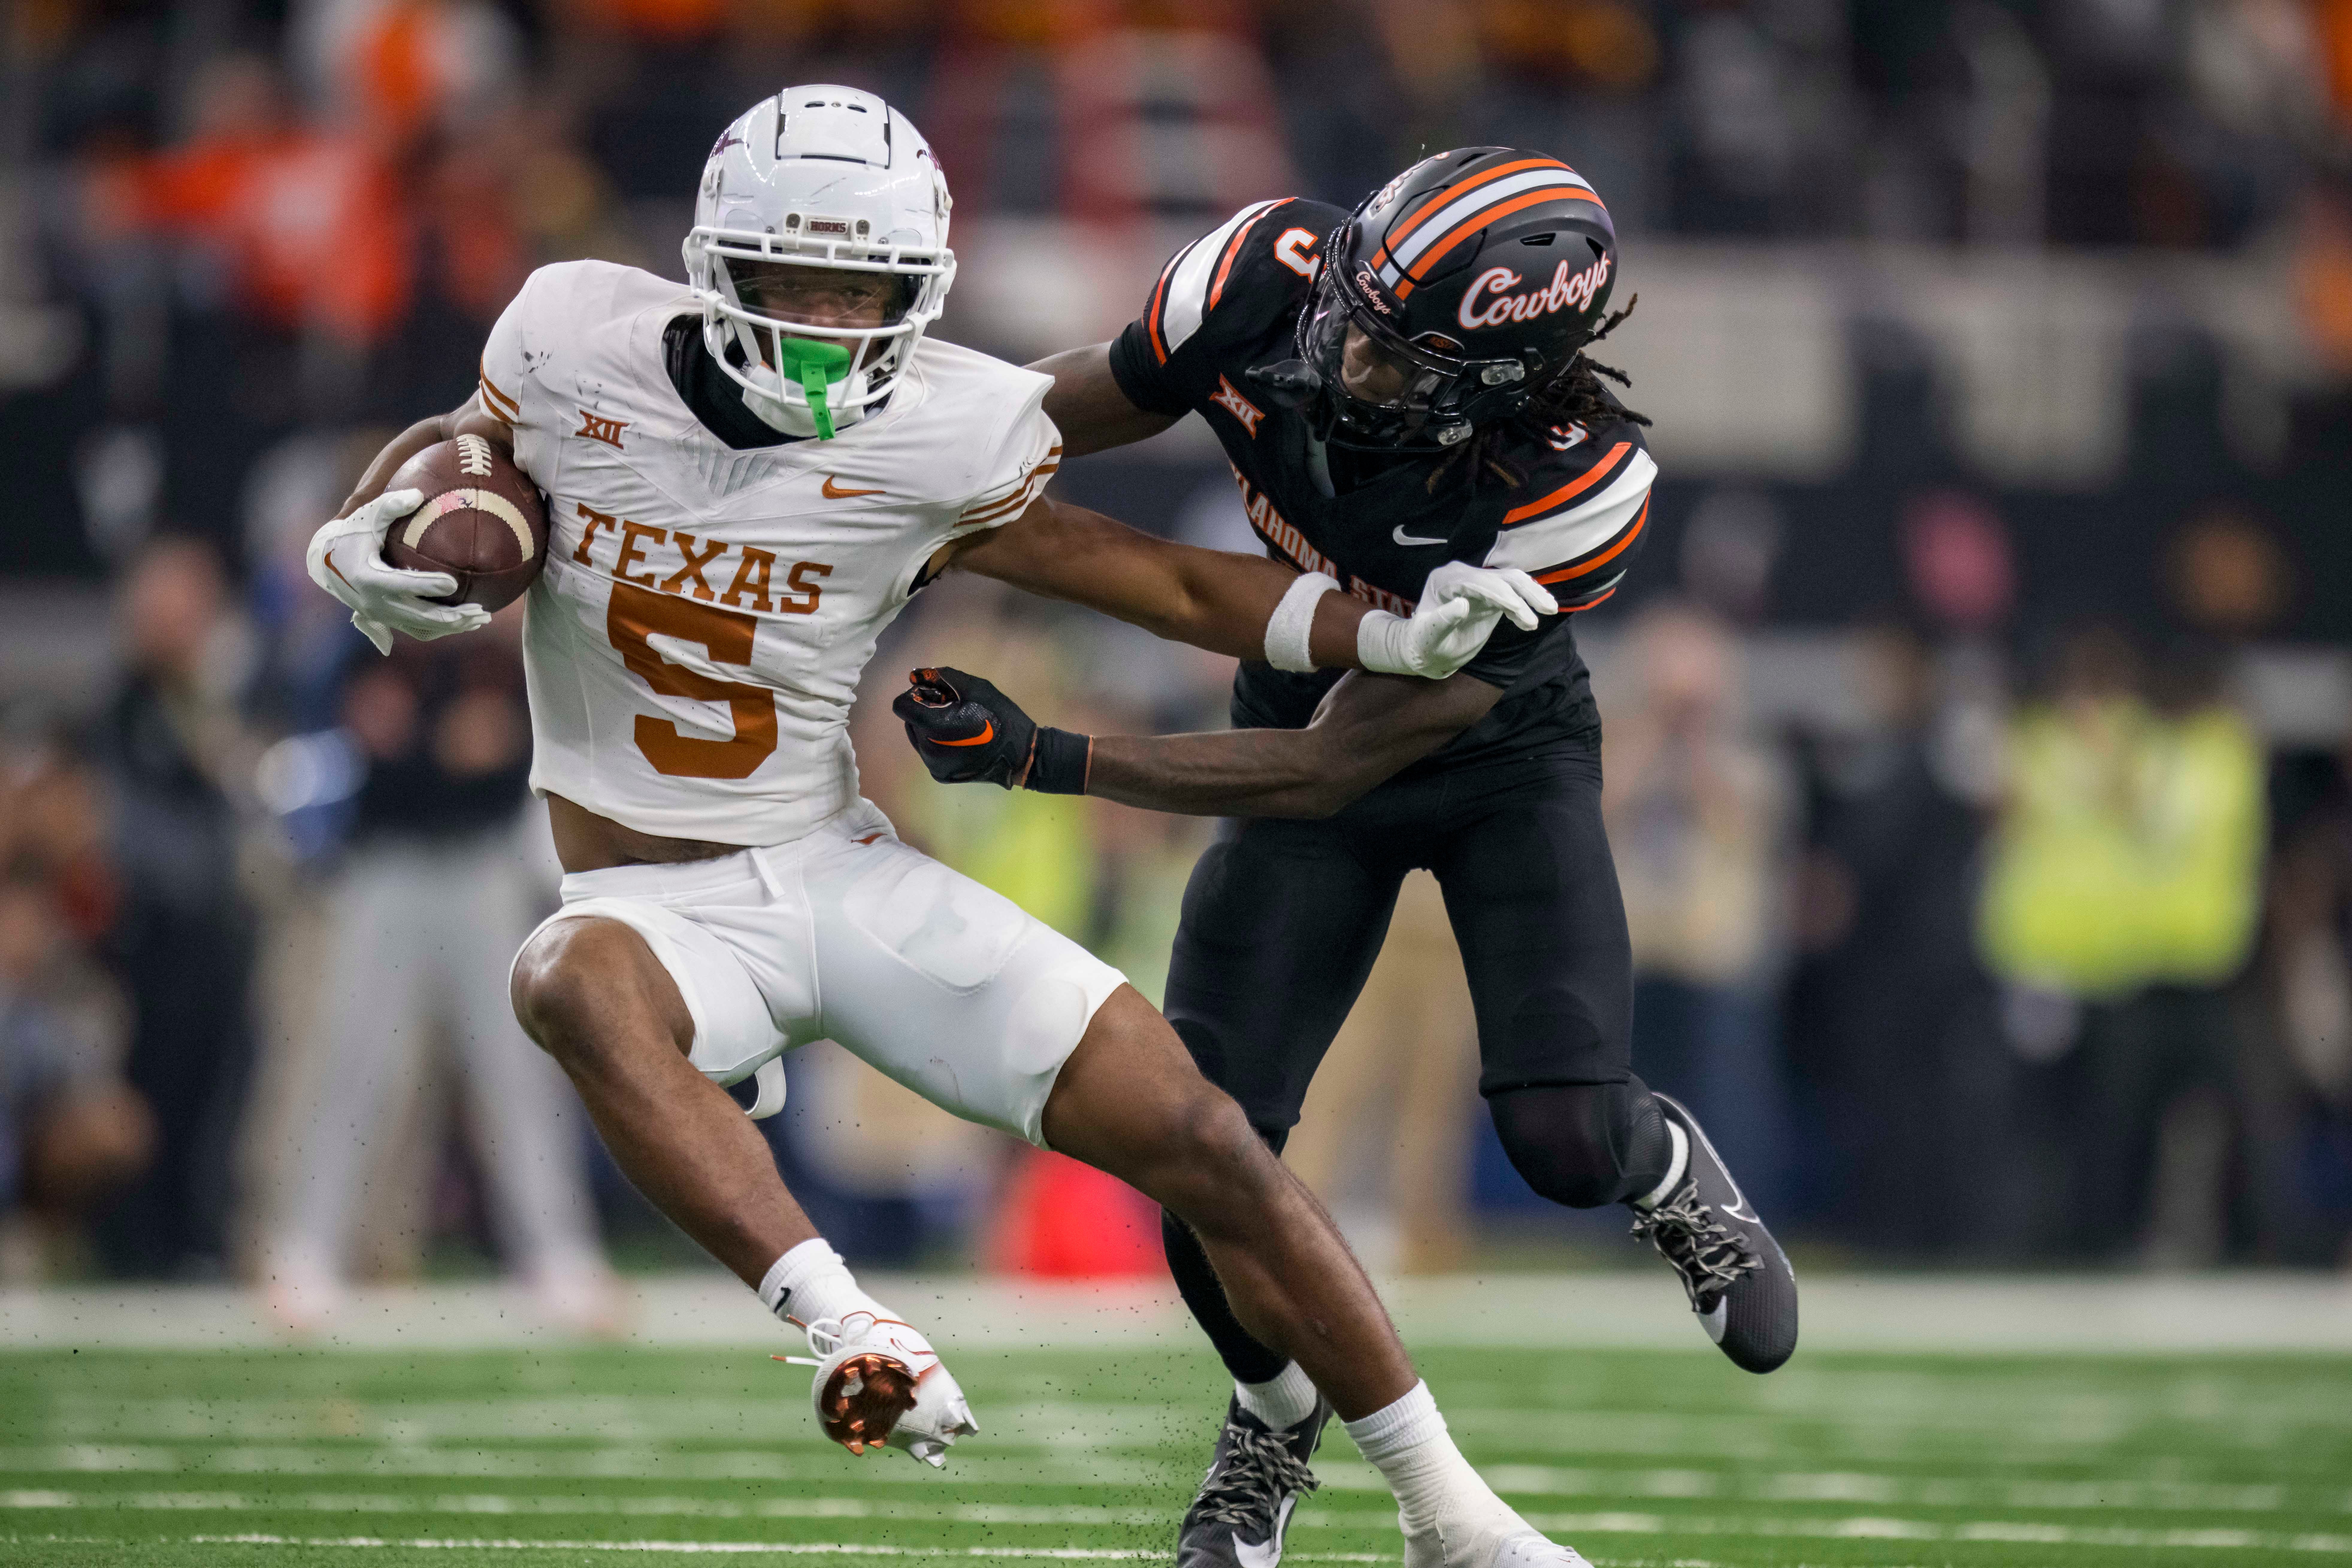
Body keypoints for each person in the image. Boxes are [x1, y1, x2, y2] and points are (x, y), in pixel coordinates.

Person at [306, 84, 1594, 1568]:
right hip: (649, 903)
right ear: (715, 264)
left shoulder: (940, 427)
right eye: (796, 281)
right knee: (560, 973)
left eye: (866, 291)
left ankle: (1458, 1520)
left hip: (830, 866)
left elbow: (1162, 582)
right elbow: (460, 444)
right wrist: (373, 522)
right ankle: (854, 1328)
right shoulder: (574, 338)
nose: (830, 321)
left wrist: (1387, 636)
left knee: (1205, 1138)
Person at [890, 147, 1800, 1568]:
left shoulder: (1575, 485)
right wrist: (897, 469)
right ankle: (1266, 1421)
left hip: (1483, 760)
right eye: (1354, 309)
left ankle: (1661, 1161)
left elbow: (1325, 768)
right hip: (1296, 691)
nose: (1338, 352)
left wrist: (1049, 758)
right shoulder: (1268, 279)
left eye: (1388, 352)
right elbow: (1049, 416)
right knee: (1202, 1145)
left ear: (1499, 383)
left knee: (1560, 1138)